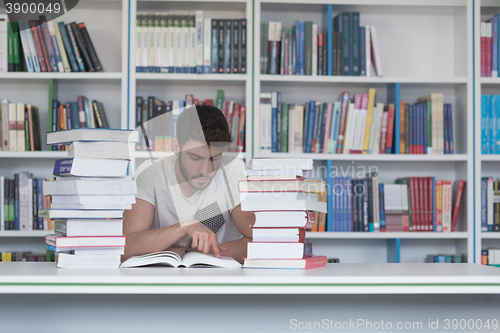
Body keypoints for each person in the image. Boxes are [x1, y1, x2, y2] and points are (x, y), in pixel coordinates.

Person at [122, 104, 254, 264]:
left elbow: (261, 242)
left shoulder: (233, 169)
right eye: (195, 158)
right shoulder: (151, 172)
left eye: (214, 158)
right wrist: (185, 227)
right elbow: (126, 247)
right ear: (176, 147)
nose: (206, 170)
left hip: (220, 281)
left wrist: (191, 252)